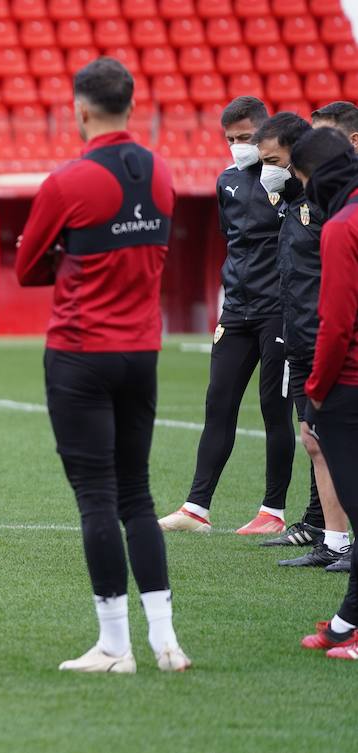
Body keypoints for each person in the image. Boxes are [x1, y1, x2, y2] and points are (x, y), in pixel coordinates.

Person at [16, 57, 190, 673]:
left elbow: (27, 267)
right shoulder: (162, 172)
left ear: (81, 109)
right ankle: (166, 640)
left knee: (96, 499)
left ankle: (115, 646)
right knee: (136, 494)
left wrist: (69, 255)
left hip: (81, 352)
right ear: (132, 105)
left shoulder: (68, 181)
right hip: (141, 351)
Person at [160, 96, 293, 535]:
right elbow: (233, 240)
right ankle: (196, 508)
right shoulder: (227, 182)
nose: (238, 146)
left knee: (275, 408)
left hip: (280, 309)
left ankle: (273, 511)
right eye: (231, 139)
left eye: (246, 137)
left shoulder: (292, 182)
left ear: (265, 133)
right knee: (218, 403)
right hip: (236, 308)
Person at [250, 113, 351, 567]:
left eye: (274, 161)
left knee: (334, 442)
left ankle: (340, 540)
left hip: (330, 339)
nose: (268, 170)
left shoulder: (335, 210)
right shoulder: (294, 202)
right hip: (303, 337)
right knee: (315, 440)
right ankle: (332, 538)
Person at [290, 125, 358, 659]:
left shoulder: (340, 227)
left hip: (349, 388)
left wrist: (315, 393)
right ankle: (345, 622)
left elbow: (336, 325)